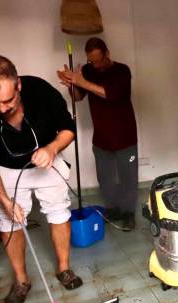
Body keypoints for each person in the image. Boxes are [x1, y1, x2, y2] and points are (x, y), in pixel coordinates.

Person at [0, 54, 83, 303]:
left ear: (18, 84)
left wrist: (51, 148)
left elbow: (67, 128)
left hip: (47, 162)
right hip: (5, 169)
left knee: (58, 211)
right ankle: (21, 281)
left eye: (8, 100)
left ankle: (64, 268)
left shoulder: (41, 91)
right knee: (10, 218)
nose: (3, 108)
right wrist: (4, 199)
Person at [57, 37, 139, 231]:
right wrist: (72, 85)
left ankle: (128, 213)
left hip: (125, 136)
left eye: (97, 60)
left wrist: (81, 82)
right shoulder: (87, 72)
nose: (94, 64)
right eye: (90, 61)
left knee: (128, 178)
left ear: (107, 53)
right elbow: (78, 98)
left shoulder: (122, 71)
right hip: (101, 137)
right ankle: (113, 209)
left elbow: (109, 94)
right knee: (105, 178)